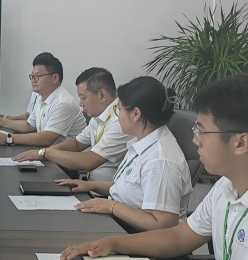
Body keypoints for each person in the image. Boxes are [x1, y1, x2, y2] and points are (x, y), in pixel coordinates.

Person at [61, 73, 248, 260]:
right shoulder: (226, 186)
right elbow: (179, 237)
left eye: (202, 131)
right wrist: (112, 243)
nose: (195, 140)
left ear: (241, 143)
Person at [55, 76, 192, 232]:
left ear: (135, 114)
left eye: (118, 109)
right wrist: (91, 185)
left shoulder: (160, 161)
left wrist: (112, 206)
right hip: (119, 225)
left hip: (138, 239)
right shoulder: (141, 141)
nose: (117, 114)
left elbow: (162, 225)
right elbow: (130, 187)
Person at [13, 67, 132, 181]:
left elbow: (89, 161)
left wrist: (45, 153)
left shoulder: (119, 121)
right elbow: (77, 143)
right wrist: (41, 153)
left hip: (106, 192)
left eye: (83, 98)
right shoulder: (98, 116)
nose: (80, 103)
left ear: (102, 95)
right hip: (90, 184)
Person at [0, 52, 86, 146]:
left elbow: (47, 138)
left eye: (38, 76)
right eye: (32, 76)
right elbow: (30, 126)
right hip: (49, 152)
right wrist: (1, 122)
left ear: (55, 78)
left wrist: (9, 138)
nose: (33, 80)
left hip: (67, 157)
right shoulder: (41, 98)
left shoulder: (62, 103)